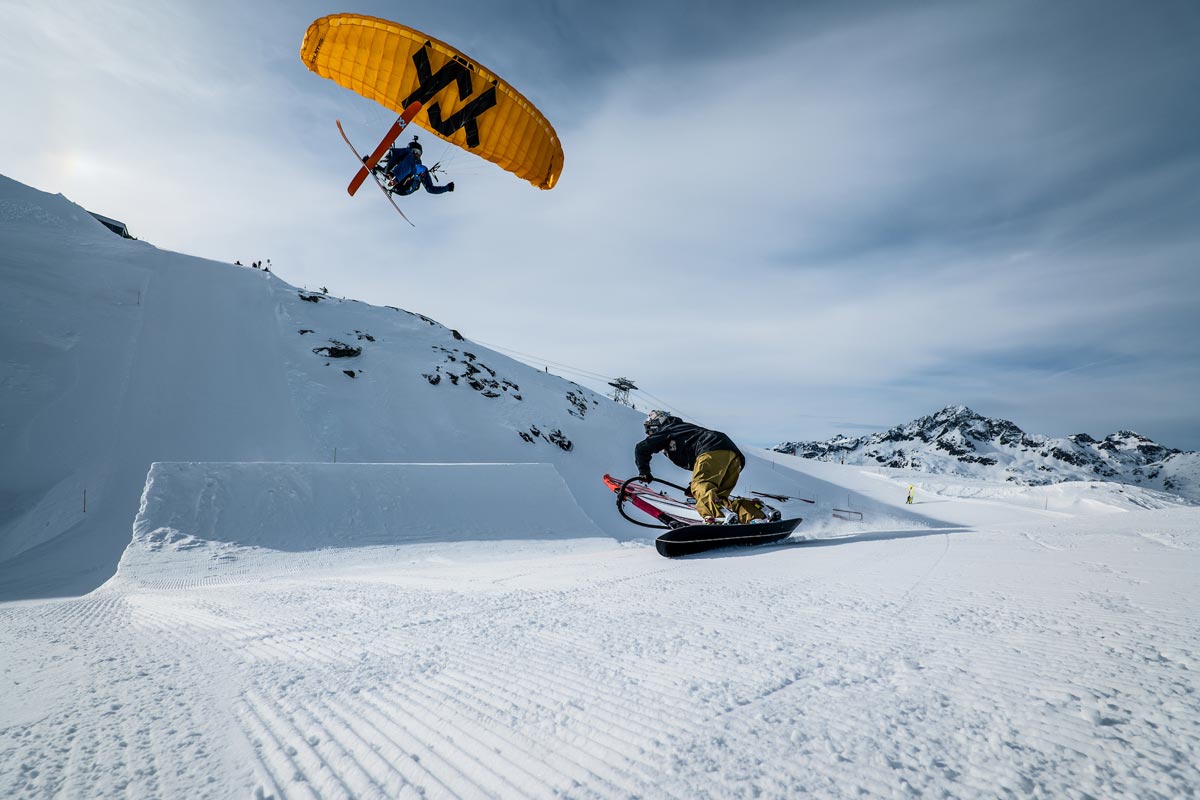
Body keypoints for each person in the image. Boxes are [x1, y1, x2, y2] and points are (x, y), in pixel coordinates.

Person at [633, 410, 771, 525]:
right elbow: (706, 468)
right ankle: (756, 515)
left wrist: (644, 471)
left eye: (649, 431)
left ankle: (717, 520)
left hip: (711, 450)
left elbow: (641, 448)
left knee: (702, 487)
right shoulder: (683, 430)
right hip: (733, 456)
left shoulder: (668, 430)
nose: (649, 435)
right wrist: (694, 487)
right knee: (718, 498)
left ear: (656, 425)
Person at [376, 136, 454, 197]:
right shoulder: (406, 156)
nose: (416, 154)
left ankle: (391, 178)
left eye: (418, 152)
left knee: (411, 160)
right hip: (393, 177)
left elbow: (430, 189)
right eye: (414, 151)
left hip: (405, 187)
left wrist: (447, 188)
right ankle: (383, 163)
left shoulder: (422, 169)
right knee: (404, 153)